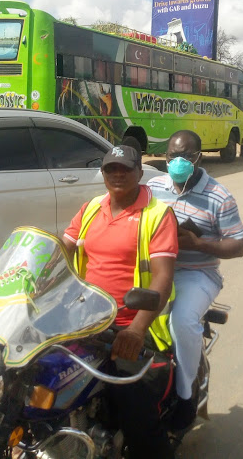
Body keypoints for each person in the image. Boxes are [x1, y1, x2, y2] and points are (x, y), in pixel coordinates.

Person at [63, 145, 178, 459]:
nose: (117, 174)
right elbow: (61, 248)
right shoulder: (90, 209)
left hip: (129, 324)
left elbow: (162, 278)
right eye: (110, 168)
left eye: (125, 169)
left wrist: (137, 329)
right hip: (85, 320)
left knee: (137, 416)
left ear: (140, 173)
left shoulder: (156, 214)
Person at [147, 130, 243, 430]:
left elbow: (238, 246)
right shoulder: (153, 186)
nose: (177, 162)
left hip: (197, 272)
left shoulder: (219, 196)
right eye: (171, 156)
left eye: (185, 157)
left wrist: (198, 244)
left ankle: (186, 393)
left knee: (182, 321)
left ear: (198, 158)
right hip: (155, 268)